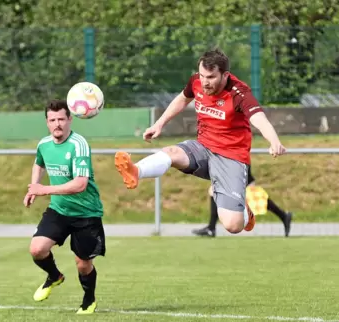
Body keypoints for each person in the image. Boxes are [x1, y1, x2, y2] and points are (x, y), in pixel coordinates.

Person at [114, 48, 286, 235]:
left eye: (211, 77)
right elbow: (182, 99)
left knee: (232, 226)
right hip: (203, 147)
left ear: (225, 75)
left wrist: (274, 140)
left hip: (231, 157)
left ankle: (245, 213)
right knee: (171, 152)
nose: (204, 82)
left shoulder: (239, 92)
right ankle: (136, 171)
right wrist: (159, 124)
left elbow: (257, 117)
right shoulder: (196, 81)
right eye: (202, 75)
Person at [23, 99, 105, 315]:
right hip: (59, 210)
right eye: (52, 120)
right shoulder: (43, 144)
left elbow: (80, 184)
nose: (57, 124)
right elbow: (39, 163)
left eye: (61, 119)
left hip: (86, 212)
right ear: (47, 122)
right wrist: (33, 188)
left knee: (83, 264)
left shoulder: (79, 144)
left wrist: (44, 190)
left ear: (70, 119)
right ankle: (54, 276)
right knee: (37, 249)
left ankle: (89, 300)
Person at [192, 166, 293, 237]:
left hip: (240, 169)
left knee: (254, 197)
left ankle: (211, 228)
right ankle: (284, 216)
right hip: (238, 168)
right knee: (214, 190)